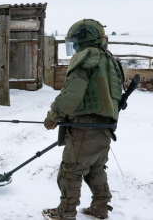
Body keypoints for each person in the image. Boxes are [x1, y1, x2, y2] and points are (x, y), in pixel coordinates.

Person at [42, 19, 124, 220]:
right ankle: (100, 208)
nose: (74, 47)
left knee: (70, 171)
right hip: (106, 126)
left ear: (83, 38)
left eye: (74, 42)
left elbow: (71, 94)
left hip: (85, 126)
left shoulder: (86, 58)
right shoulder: (109, 60)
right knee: (95, 168)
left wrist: (53, 116)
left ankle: (65, 213)